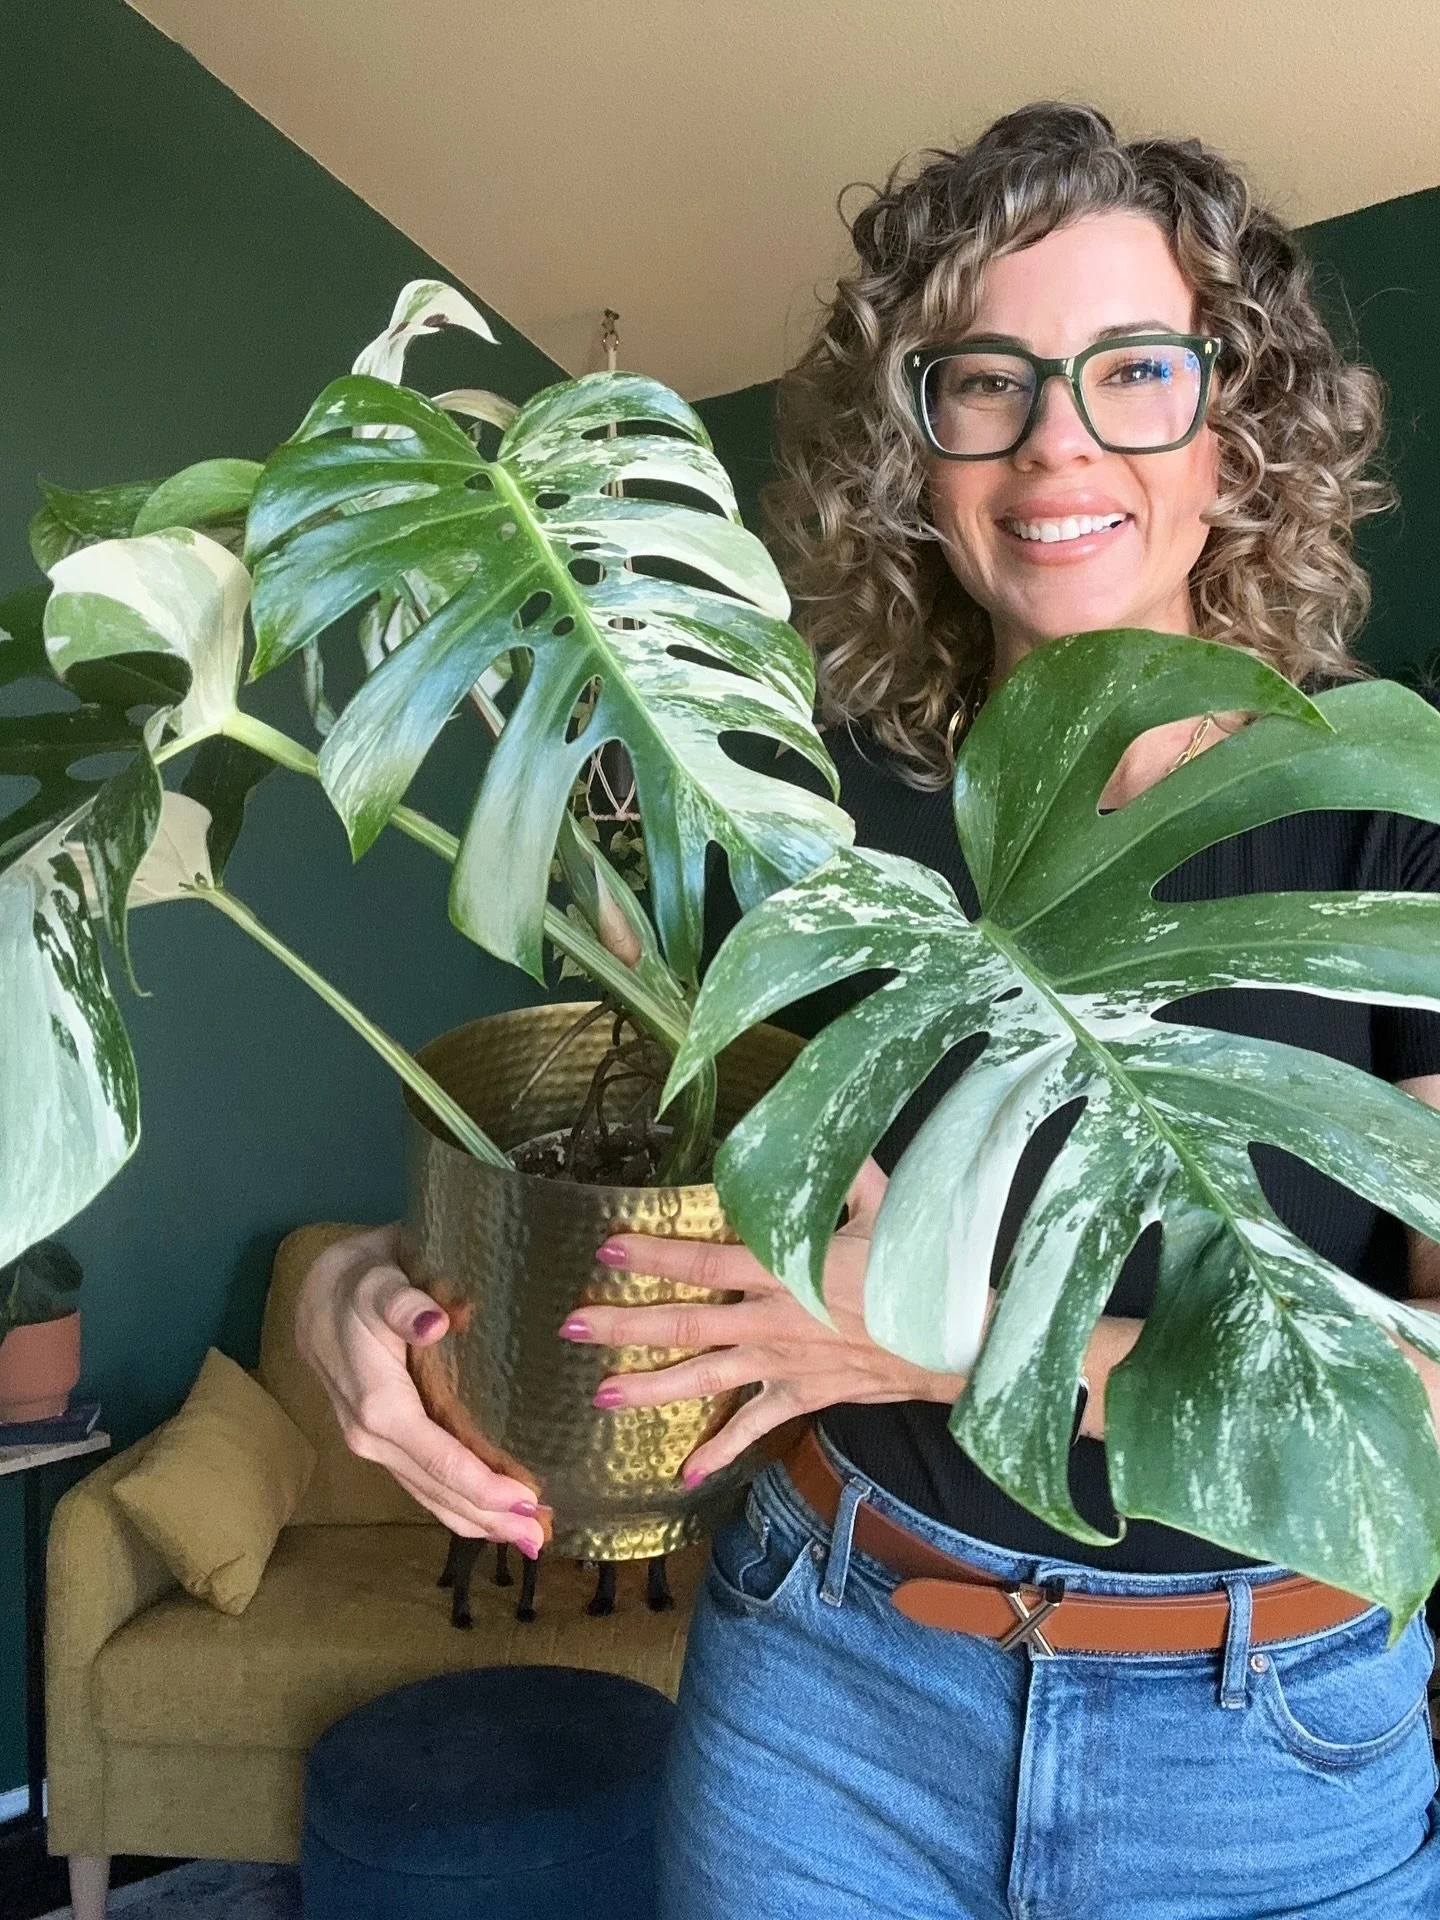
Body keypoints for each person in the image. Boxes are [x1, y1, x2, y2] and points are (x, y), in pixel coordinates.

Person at [296, 104, 1440, 1917]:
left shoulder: (1390, 819)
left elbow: (1425, 1400)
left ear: (1240, 425)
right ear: (916, 444)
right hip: (827, 1690)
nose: (1057, 438)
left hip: (1260, 1742)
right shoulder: (794, 811)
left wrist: (941, 1345)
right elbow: (621, 1190)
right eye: (985, 380)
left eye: (1136, 370)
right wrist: (360, 1288)